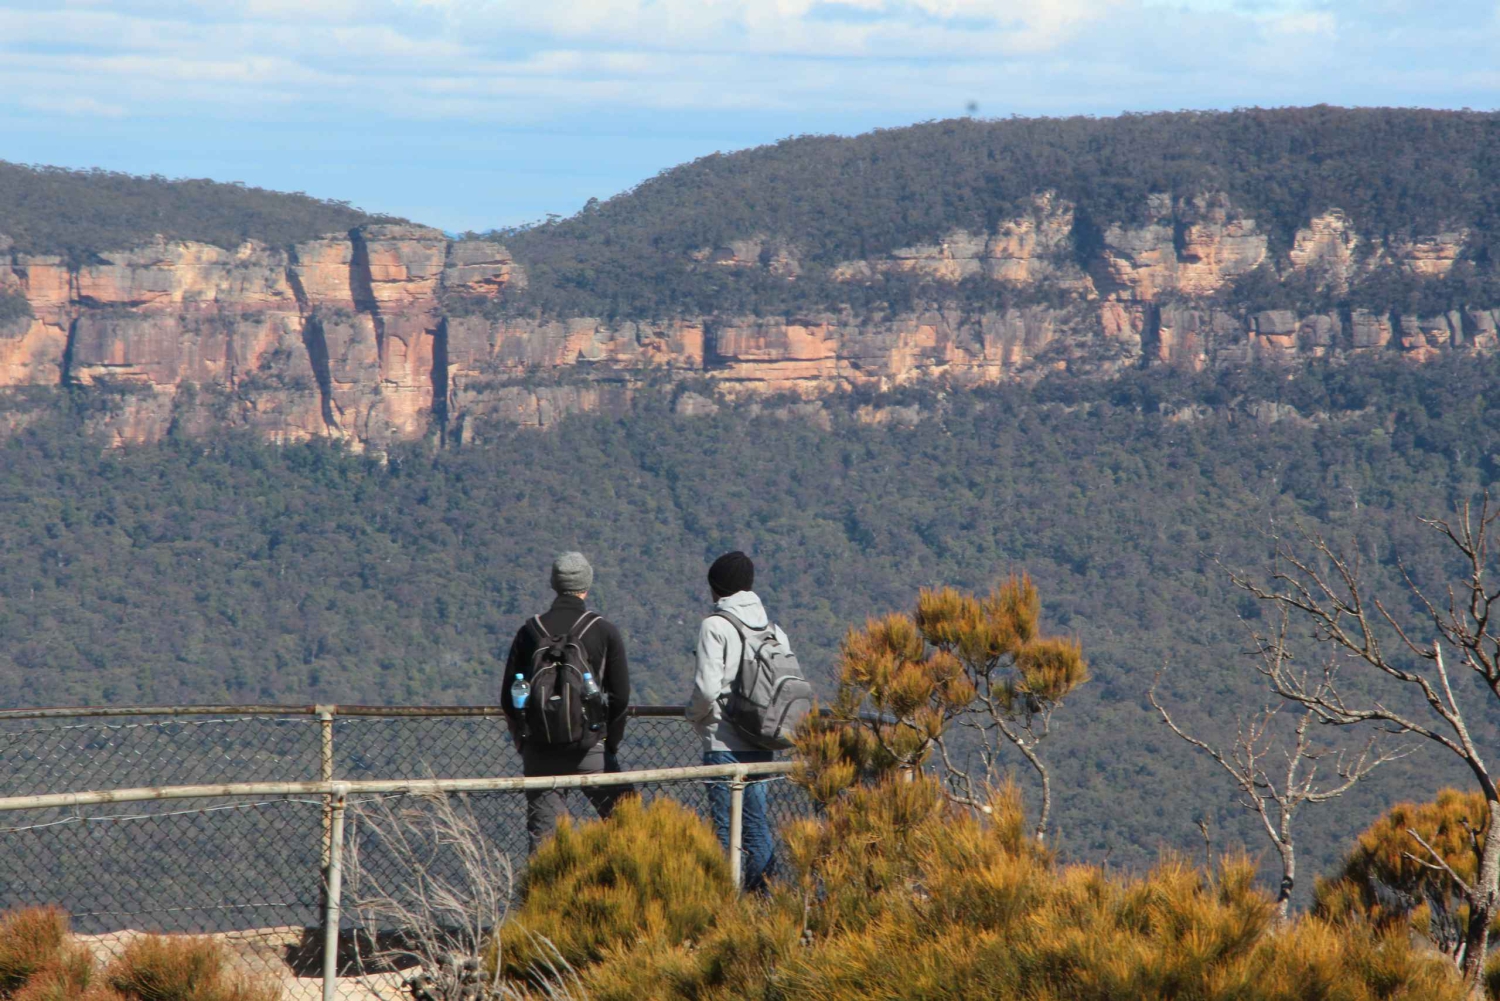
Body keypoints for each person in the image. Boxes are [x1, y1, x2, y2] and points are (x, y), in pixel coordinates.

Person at [501, 551, 631, 851]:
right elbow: (620, 696)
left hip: (540, 749)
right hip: (590, 748)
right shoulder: (603, 630)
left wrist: (524, 740)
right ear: (588, 583)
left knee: (545, 842)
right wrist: (608, 744)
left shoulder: (529, 632)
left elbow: (509, 696)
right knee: (627, 822)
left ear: (553, 583)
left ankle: (543, 896)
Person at [686, 550, 787, 892]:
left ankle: (727, 903)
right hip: (763, 739)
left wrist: (694, 716)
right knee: (756, 825)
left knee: (726, 828)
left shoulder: (715, 626)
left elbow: (706, 688)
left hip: (725, 743)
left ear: (718, 589)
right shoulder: (774, 630)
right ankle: (762, 900)